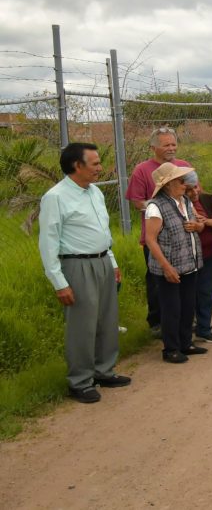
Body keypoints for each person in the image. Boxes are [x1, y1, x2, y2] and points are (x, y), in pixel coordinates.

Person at [39, 143, 127, 403]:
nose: (100, 168)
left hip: (102, 262)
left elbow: (102, 231)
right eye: (95, 164)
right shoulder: (55, 197)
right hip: (77, 266)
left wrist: (111, 261)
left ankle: (104, 371)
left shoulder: (94, 192)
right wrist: (59, 282)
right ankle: (80, 381)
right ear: (77, 166)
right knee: (83, 326)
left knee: (107, 320)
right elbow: (48, 243)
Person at [125, 126, 191, 337]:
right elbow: (137, 202)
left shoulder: (183, 167)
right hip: (157, 237)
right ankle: (157, 322)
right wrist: (165, 209)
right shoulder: (142, 170)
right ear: (153, 147)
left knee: (186, 280)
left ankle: (184, 322)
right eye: (166, 145)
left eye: (173, 144)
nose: (171, 148)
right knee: (157, 281)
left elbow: (193, 195)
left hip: (184, 235)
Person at [144, 162, 206, 363]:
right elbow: (150, 240)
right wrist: (166, 267)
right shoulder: (155, 206)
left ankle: (185, 343)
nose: (185, 184)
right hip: (169, 266)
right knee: (172, 308)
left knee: (188, 306)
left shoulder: (185, 201)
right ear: (168, 184)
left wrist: (197, 226)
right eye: (181, 180)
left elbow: (200, 224)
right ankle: (170, 348)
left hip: (189, 263)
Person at [183, 172, 212, 344]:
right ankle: (187, 331)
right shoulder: (179, 204)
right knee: (189, 295)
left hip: (210, 254)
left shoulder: (208, 199)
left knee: (207, 292)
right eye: (188, 190)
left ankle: (204, 328)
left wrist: (207, 222)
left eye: (195, 187)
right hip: (188, 256)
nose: (194, 192)